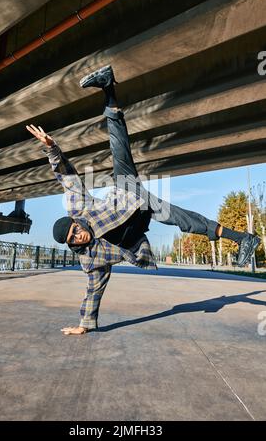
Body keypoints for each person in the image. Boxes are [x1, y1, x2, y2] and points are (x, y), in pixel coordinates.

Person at [26, 65, 261, 335]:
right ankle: (245, 239)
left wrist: (52, 149)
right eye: (72, 239)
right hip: (142, 218)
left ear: (76, 223)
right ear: (72, 245)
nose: (78, 236)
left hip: (127, 193)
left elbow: (67, 178)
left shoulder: (79, 209)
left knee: (118, 145)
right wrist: (84, 325)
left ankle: (107, 87)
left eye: (74, 230)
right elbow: (94, 289)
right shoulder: (90, 259)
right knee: (186, 222)